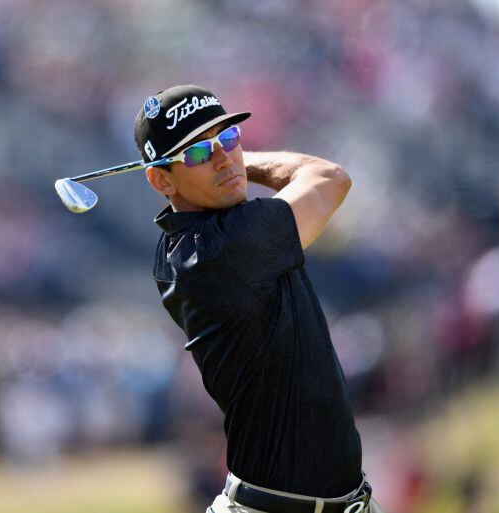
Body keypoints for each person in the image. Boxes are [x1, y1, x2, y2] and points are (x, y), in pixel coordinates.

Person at [134, 84, 383, 513]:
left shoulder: (178, 245)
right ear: (160, 179)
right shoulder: (227, 248)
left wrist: (217, 164)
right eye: (197, 152)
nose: (222, 157)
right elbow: (330, 178)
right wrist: (243, 164)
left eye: (228, 139)